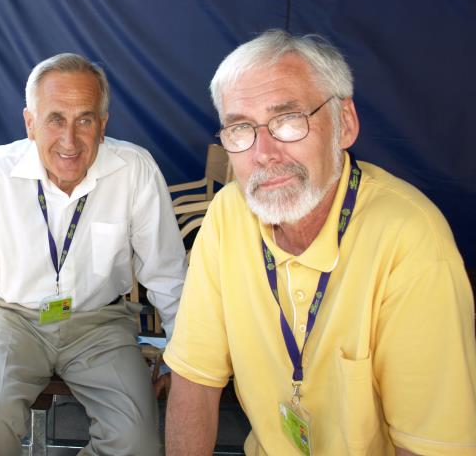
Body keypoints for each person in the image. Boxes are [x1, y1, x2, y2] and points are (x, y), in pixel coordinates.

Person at [164, 30, 476, 455]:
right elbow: (194, 381)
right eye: (240, 128)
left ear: (344, 123)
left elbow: (426, 446)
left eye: (288, 120)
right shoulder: (228, 214)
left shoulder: (410, 238)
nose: (264, 152)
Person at [0, 53, 187, 455]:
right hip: (15, 320)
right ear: (30, 123)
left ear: (103, 124)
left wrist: (181, 360)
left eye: (85, 120)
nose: (70, 140)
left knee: (137, 441)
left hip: (101, 324)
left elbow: (167, 273)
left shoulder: (134, 169)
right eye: (55, 119)